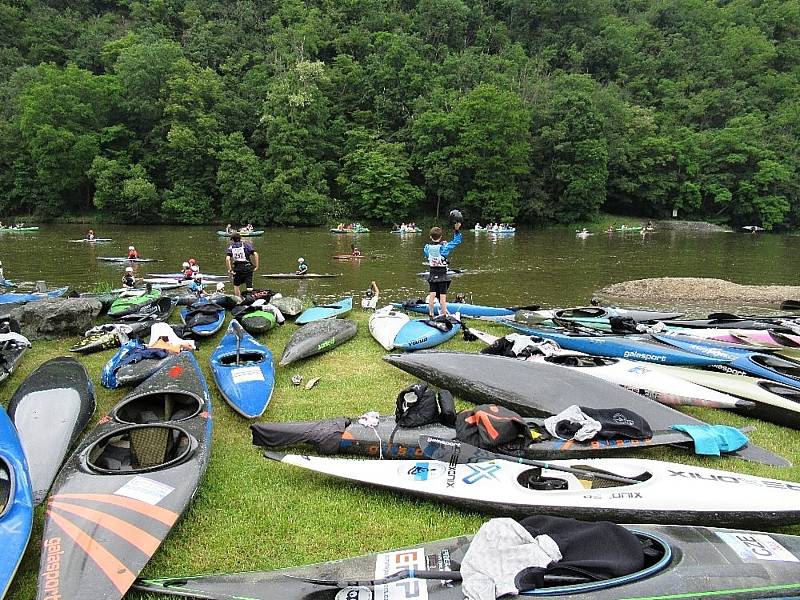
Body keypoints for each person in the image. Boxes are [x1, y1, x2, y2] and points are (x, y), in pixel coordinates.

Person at [423, 221, 462, 318]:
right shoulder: (444, 248)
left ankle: (431, 313)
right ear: (441, 237)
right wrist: (456, 230)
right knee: (442, 297)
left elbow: (429, 252)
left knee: (432, 295)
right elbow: (456, 241)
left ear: (430, 237)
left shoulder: (427, 248)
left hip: (432, 274)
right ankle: (444, 314)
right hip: (442, 275)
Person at [226, 232, 259, 296]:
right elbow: (255, 254)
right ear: (240, 238)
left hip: (237, 269)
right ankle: (250, 299)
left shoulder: (231, 247)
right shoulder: (246, 245)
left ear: (232, 240)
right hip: (248, 267)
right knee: (249, 286)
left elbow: (227, 259)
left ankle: (238, 300)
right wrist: (256, 266)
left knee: (236, 285)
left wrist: (230, 270)